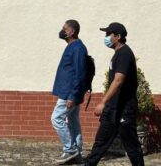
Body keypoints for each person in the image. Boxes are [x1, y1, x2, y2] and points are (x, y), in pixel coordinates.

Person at [85, 22, 144, 166]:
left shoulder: (124, 54)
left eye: (108, 35)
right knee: (100, 143)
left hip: (124, 109)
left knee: (131, 146)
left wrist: (102, 102)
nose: (106, 38)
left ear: (117, 36)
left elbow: (118, 80)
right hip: (113, 109)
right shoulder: (117, 54)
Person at [51, 19, 88, 164]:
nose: (62, 31)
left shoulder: (78, 48)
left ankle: (70, 149)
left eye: (64, 29)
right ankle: (77, 153)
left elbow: (79, 74)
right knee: (72, 122)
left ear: (72, 31)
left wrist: (72, 95)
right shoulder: (73, 46)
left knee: (56, 118)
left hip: (69, 94)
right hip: (69, 93)